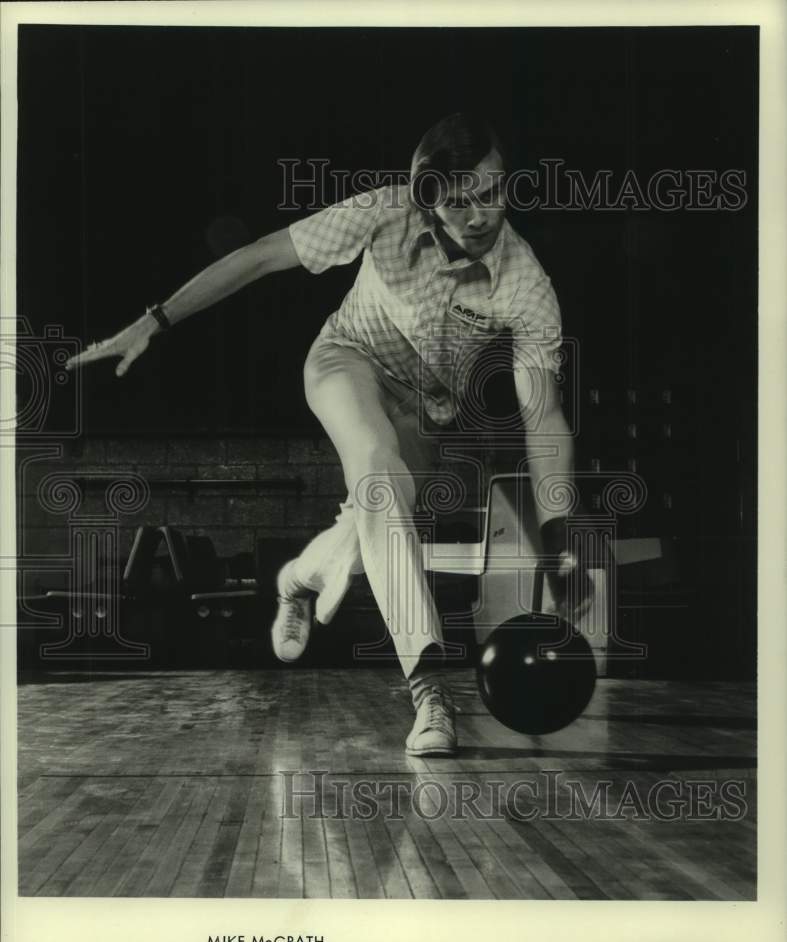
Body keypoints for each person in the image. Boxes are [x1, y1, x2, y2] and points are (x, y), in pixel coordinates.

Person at [67, 112, 590, 757]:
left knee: (374, 509)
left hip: (426, 409)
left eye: (494, 191)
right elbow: (260, 257)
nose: (483, 215)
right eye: (461, 202)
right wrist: (156, 319)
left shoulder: (526, 286)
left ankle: (296, 578)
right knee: (375, 471)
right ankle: (429, 689)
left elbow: (544, 418)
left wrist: (561, 537)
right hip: (347, 362)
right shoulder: (383, 211)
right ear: (428, 201)